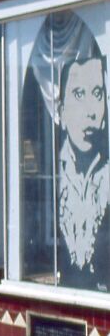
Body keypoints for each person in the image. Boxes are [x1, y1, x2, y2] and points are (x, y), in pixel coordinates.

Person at [57, 54, 110, 290]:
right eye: (79, 95)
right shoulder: (52, 177)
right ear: (61, 112)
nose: (90, 111)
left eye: (97, 94)